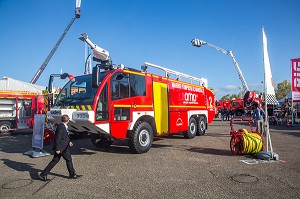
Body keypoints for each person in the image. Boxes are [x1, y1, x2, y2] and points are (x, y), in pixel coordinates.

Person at [39, 114, 81, 181]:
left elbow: (64, 136)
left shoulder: (62, 126)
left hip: (62, 146)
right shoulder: (61, 127)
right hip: (62, 148)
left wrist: (68, 142)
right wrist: (57, 148)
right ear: (68, 120)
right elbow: (58, 138)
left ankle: (43, 174)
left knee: (55, 160)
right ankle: (72, 174)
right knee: (69, 159)